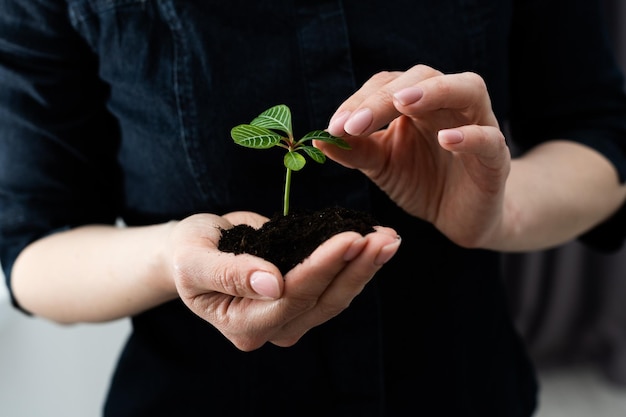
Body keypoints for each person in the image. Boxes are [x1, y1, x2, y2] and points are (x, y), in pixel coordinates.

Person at [1, 1, 625, 416]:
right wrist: (171, 258)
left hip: (461, 389)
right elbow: (31, 246)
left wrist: (499, 212)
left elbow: (600, 132)